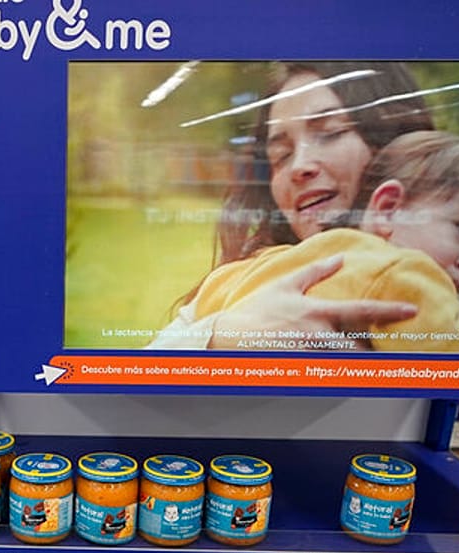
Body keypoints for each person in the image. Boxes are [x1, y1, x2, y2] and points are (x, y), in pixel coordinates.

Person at [151, 61, 436, 349]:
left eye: (330, 133)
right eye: (282, 155)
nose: (299, 166)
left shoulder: (451, 290)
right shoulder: (246, 278)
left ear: (394, 142)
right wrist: (226, 335)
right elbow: (133, 383)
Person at [183, 131, 459, 352]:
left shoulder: (282, 258)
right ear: (388, 209)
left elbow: (208, 297)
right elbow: (451, 356)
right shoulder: (407, 271)